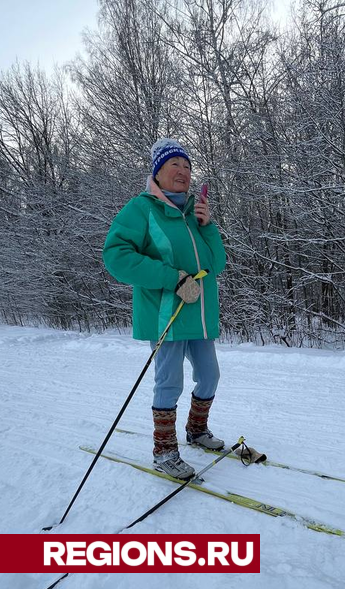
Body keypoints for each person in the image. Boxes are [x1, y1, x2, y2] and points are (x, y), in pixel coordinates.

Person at [102, 139, 227, 479]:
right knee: (169, 381)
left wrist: (208, 226)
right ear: (157, 171)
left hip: (199, 314)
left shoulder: (192, 213)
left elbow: (217, 264)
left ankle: (196, 431)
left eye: (187, 167)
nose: (183, 173)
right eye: (175, 165)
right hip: (166, 312)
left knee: (210, 376)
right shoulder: (141, 209)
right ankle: (164, 451)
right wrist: (171, 277)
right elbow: (116, 257)